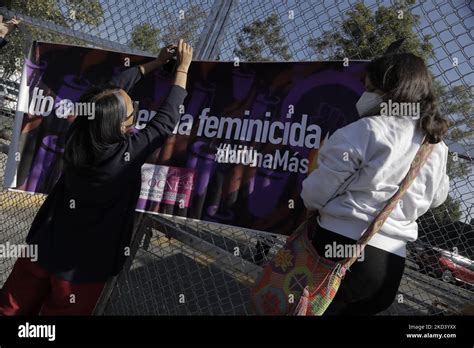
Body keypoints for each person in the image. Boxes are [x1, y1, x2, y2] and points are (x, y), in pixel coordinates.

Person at [0, 39, 193, 315]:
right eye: (132, 113)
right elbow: (165, 120)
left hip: (43, 246)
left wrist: (156, 64)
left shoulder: (79, 130)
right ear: (122, 126)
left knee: (10, 308)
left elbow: (108, 91)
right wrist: (182, 69)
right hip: (80, 268)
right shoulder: (125, 154)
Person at [300, 52, 450, 315]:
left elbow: (315, 195)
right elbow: (437, 197)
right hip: (389, 268)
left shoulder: (366, 130)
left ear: (390, 91)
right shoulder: (435, 146)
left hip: (337, 252)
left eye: (370, 89)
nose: (365, 95)